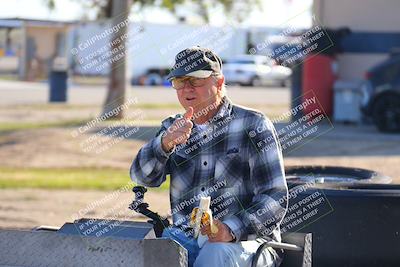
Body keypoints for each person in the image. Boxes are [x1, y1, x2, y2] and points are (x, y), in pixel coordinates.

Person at [130, 46, 288, 267]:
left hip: (248, 242)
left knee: (215, 254)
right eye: (179, 82)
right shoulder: (171, 127)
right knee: (138, 253)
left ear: (219, 83)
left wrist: (231, 229)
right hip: (186, 239)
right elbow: (141, 177)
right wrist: (164, 144)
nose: (186, 89)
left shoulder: (254, 125)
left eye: (195, 81)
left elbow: (275, 197)